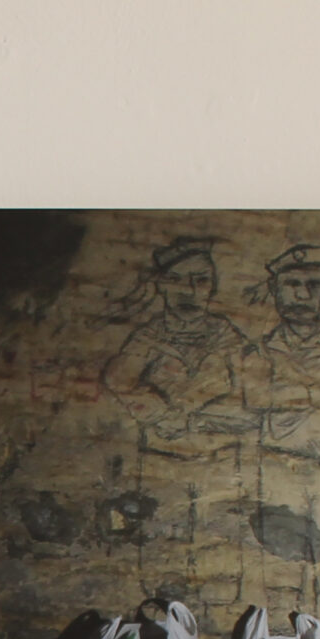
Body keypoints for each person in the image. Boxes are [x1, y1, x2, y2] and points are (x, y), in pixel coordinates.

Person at [96, 238, 256, 617]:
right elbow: (119, 379)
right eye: (178, 280)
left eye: (200, 281)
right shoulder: (150, 336)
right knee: (163, 534)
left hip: (218, 457)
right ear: (161, 285)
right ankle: (162, 610)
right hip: (162, 457)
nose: (190, 291)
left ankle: (216, 611)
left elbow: (250, 392)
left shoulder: (227, 336)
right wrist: (160, 414)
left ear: (212, 287)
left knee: (218, 533)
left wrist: (206, 415)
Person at [248, 244, 320, 618]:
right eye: (292, 285)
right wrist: (319, 395)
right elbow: (254, 399)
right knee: (280, 553)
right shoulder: (259, 353)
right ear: (275, 290)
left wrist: (298, 397)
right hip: (281, 465)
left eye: (312, 286)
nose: (301, 295)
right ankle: (281, 626)